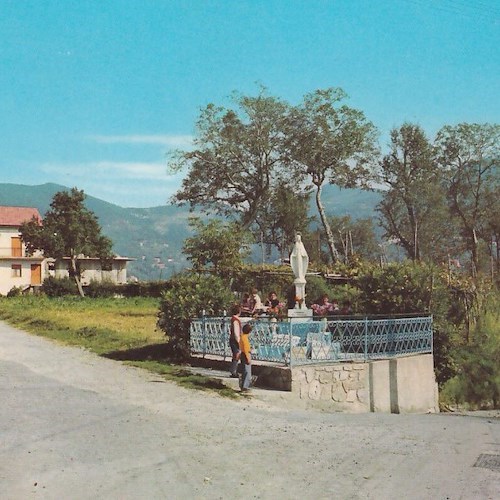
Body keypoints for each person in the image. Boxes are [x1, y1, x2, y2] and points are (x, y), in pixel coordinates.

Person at [239, 322, 253, 392]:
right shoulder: (245, 339)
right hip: (246, 355)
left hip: (242, 354)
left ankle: (243, 386)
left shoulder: (242, 337)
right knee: (247, 372)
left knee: (244, 371)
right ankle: (245, 386)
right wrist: (248, 358)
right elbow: (246, 350)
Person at [229, 304, 242, 378]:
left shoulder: (234, 319)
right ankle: (233, 371)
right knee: (237, 355)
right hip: (234, 340)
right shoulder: (235, 320)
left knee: (235, 355)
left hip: (233, 339)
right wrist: (239, 341)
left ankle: (233, 370)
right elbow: (236, 332)